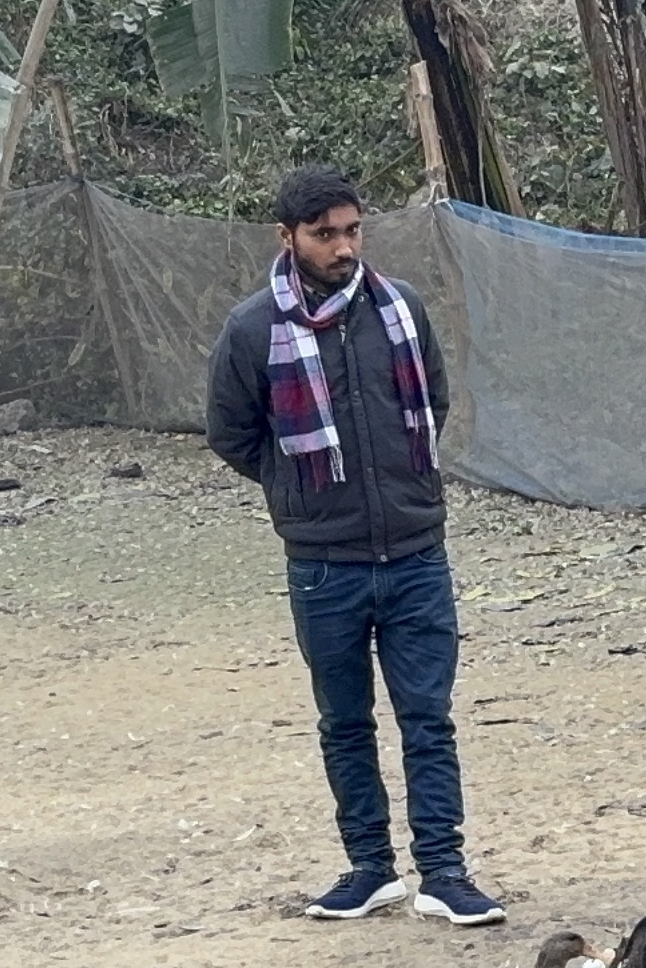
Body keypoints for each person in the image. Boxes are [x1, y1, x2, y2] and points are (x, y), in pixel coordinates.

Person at [205, 164, 503, 926]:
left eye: (352, 230)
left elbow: (431, 401)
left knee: (428, 718)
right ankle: (369, 869)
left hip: (414, 554)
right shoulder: (252, 330)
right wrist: (296, 489)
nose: (343, 247)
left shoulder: (399, 309)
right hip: (322, 564)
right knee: (344, 722)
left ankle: (444, 871)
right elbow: (232, 433)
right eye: (324, 234)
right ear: (288, 238)